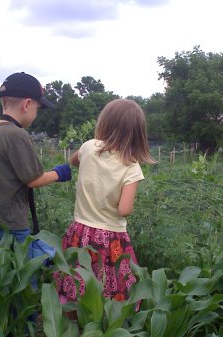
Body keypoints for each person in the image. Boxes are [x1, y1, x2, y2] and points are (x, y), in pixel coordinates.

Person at [54, 98, 155, 306]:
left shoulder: (89, 147)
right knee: (111, 286)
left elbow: (73, 161)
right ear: (137, 133)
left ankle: (72, 321)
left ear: (105, 123)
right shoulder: (131, 166)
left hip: (80, 231)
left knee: (76, 280)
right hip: (111, 239)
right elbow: (124, 209)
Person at [0, 71, 72, 245]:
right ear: (27, 104)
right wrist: (61, 172)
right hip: (12, 224)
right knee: (22, 269)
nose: (36, 114)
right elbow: (34, 180)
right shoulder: (17, 134)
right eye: (38, 108)